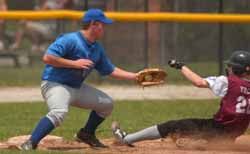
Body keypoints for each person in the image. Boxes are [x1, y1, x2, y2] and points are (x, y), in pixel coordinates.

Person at [18, 8, 138, 150]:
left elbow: (110, 70)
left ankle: (86, 134)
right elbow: (48, 58)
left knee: (107, 104)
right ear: (93, 24)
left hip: (75, 88)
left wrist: (135, 76)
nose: (104, 28)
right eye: (102, 24)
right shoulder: (70, 40)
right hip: (55, 84)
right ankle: (30, 143)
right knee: (59, 112)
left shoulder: (96, 48)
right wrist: (74, 63)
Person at [112, 50, 250, 148]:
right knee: (197, 130)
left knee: (171, 126)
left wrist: (181, 66)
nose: (229, 69)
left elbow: (199, 82)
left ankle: (126, 138)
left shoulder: (227, 81)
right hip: (233, 133)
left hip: (216, 128)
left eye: (231, 66)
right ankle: (204, 142)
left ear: (236, 69)